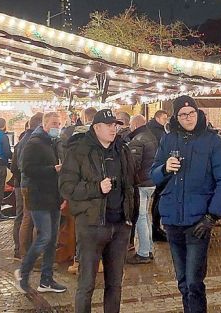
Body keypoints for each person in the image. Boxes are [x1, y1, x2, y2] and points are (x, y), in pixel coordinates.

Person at [150, 96, 221, 313]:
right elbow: (154, 175)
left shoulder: (212, 141)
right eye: (183, 114)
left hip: (198, 220)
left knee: (194, 283)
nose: (188, 118)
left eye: (192, 113)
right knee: (182, 281)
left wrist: (211, 216)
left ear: (198, 114)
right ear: (176, 118)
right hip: (172, 220)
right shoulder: (168, 140)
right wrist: (164, 168)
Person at [59, 110, 135, 313]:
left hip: (119, 226)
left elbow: (130, 185)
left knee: (115, 284)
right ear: (96, 128)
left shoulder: (122, 150)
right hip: (92, 226)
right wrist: (96, 188)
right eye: (109, 125)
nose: (114, 128)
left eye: (115, 125)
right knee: (86, 284)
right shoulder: (79, 151)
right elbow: (66, 187)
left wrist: (130, 217)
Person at [14, 112, 67, 294]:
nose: (57, 127)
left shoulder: (51, 143)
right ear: (45, 124)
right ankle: (23, 272)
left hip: (53, 197)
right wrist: (53, 169)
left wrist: (61, 196)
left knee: (52, 239)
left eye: (59, 123)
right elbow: (27, 169)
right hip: (38, 197)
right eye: (54, 123)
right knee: (44, 236)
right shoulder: (34, 143)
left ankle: (46, 280)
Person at [126, 113, 158, 263]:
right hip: (151, 181)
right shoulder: (150, 136)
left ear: (135, 125)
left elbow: (133, 165)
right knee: (145, 216)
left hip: (141, 184)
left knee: (141, 217)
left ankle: (144, 252)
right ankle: (148, 249)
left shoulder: (137, 140)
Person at [11, 114, 41, 259]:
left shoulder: (23, 139)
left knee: (25, 217)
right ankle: (31, 255)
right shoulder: (33, 140)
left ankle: (21, 251)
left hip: (24, 183)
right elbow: (24, 165)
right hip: (32, 184)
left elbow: (16, 165)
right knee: (33, 219)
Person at [146, 110, 170, 242]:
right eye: (164, 118)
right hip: (159, 170)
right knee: (158, 201)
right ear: (157, 118)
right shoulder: (159, 132)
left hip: (155, 170)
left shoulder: (150, 129)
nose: (165, 121)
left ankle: (156, 227)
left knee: (156, 201)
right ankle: (156, 228)